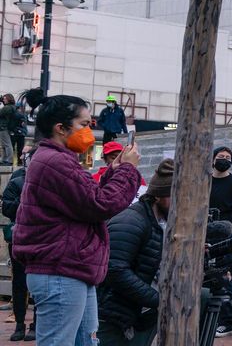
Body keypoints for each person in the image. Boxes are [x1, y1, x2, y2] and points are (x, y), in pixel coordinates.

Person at [12, 95, 142, 345]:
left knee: (86, 341)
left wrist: (114, 172)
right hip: (61, 270)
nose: (90, 130)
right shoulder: (55, 161)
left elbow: (86, 200)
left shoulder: (58, 160)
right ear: (61, 128)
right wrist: (127, 170)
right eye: (83, 124)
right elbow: (100, 205)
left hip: (71, 268)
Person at [96, 159, 175, 345]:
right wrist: (159, 300)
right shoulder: (131, 221)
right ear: (157, 195)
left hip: (136, 312)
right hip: (113, 316)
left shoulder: (162, 220)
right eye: (174, 194)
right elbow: (115, 270)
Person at [2, 145, 37, 341]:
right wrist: (27, 201)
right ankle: (19, 324)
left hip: (43, 240)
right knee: (19, 283)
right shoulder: (16, 181)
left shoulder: (48, 182)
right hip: (20, 239)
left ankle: (36, 324)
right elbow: (7, 208)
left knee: (40, 284)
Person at [209, 146, 232, 337]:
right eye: (221, 156)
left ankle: (227, 321)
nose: (224, 159)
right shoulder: (204, 181)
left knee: (225, 277)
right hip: (205, 235)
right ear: (213, 159)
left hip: (227, 237)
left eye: (228, 157)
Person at [0, 94, 16, 165]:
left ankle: (8, 160)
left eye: (5, 99)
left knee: (7, 145)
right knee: (4, 145)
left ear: (9, 99)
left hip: (4, 127)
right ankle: (4, 159)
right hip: (5, 127)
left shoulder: (7, 107)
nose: (3, 100)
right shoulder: (11, 107)